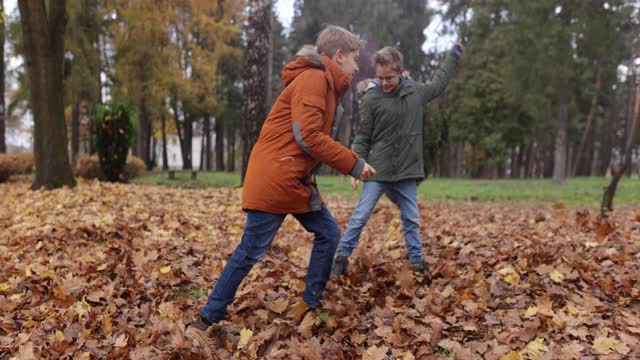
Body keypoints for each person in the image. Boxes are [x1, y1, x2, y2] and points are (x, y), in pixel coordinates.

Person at [185, 25, 376, 353]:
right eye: (354, 59)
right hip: (276, 178)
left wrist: (346, 165)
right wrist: (354, 163)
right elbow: (309, 137)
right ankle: (203, 321)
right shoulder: (315, 79)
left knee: (329, 233)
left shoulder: (326, 84)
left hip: (293, 179)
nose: (357, 67)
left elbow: (307, 141)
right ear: (339, 55)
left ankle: (310, 306)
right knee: (250, 250)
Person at [331, 44, 462, 279]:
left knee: (411, 218)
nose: (384, 83)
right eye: (380, 78)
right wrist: (354, 165)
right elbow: (363, 135)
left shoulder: (415, 92)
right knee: (360, 216)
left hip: (406, 171)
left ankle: (417, 263)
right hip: (377, 170)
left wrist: (453, 56)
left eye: (389, 78)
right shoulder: (372, 98)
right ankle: (340, 259)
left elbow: (439, 84)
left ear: (400, 72)